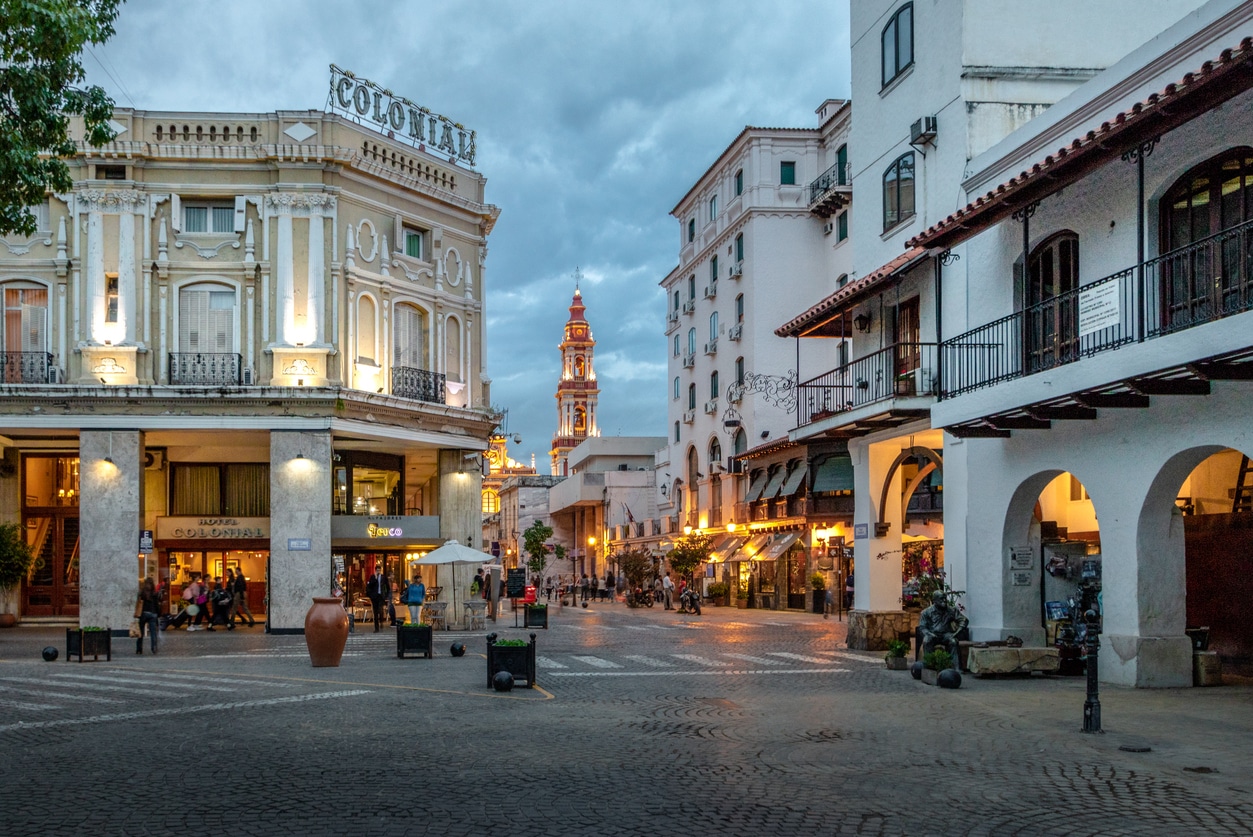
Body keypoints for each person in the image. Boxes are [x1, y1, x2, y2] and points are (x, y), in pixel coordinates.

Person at [919, 590, 969, 666]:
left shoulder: (951, 610)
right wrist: (929, 634)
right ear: (935, 600)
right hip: (933, 634)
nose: (944, 600)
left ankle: (956, 667)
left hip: (946, 634)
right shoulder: (926, 612)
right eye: (941, 598)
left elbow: (964, 620)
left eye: (945, 598)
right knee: (927, 641)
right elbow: (922, 627)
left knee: (953, 641)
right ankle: (929, 666)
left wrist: (957, 632)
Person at [135, 578, 161, 654]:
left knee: (141, 632)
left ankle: (139, 648)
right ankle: (154, 648)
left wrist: (137, 612)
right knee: (153, 632)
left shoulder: (141, 593)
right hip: (152, 614)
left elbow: (138, 603)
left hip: (143, 613)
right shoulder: (154, 593)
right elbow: (157, 605)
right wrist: (158, 614)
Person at [367, 567, 389, 632]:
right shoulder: (373, 577)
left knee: (380, 610)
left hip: (381, 596)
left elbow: (387, 586)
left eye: (379, 570)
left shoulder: (383, 577)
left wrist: (386, 595)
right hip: (374, 596)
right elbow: (370, 585)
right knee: (375, 612)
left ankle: (381, 620)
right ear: (375, 570)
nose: (378, 571)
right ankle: (376, 628)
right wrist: (375, 578)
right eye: (377, 570)